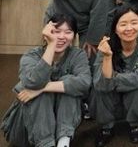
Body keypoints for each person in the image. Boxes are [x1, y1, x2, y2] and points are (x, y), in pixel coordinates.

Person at [1, 15, 91, 147]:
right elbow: (33, 83)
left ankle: (63, 142)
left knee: (68, 82)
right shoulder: (31, 55)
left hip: (60, 129)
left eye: (68, 32)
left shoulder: (77, 55)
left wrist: (43, 88)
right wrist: (51, 45)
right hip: (26, 129)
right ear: (46, 34)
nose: (61, 36)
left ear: (74, 36)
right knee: (39, 89)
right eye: (56, 31)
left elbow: (84, 83)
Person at [92, 6, 138, 146]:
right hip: (112, 96)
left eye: (134, 23)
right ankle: (106, 128)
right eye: (123, 24)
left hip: (134, 96)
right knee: (99, 88)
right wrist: (107, 57)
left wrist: (113, 79)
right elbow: (101, 84)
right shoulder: (105, 47)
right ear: (115, 29)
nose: (129, 28)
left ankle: (136, 125)